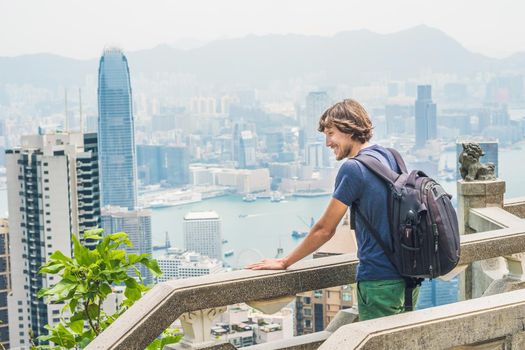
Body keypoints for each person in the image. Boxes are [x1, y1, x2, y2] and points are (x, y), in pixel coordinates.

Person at [246, 99, 418, 321]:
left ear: (349, 129)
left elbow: (325, 229)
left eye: (331, 133)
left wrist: (284, 262)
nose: (327, 142)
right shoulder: (390, 156)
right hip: (409, 276)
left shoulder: (353, 168)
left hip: (379, 281)